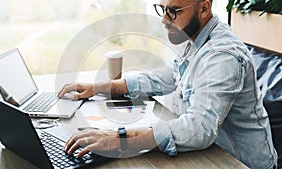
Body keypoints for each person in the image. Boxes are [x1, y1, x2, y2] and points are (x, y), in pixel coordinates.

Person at [58, 0, 278, 168]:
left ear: (203, 8)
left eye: (173, 11)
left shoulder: (223, 57)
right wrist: (100, 87)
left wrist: (118, 138)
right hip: (208, 154)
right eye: (161, 8)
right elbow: (167, 78)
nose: (164, 19)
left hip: (238, 163)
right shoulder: (192, 38)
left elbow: (198, 129)